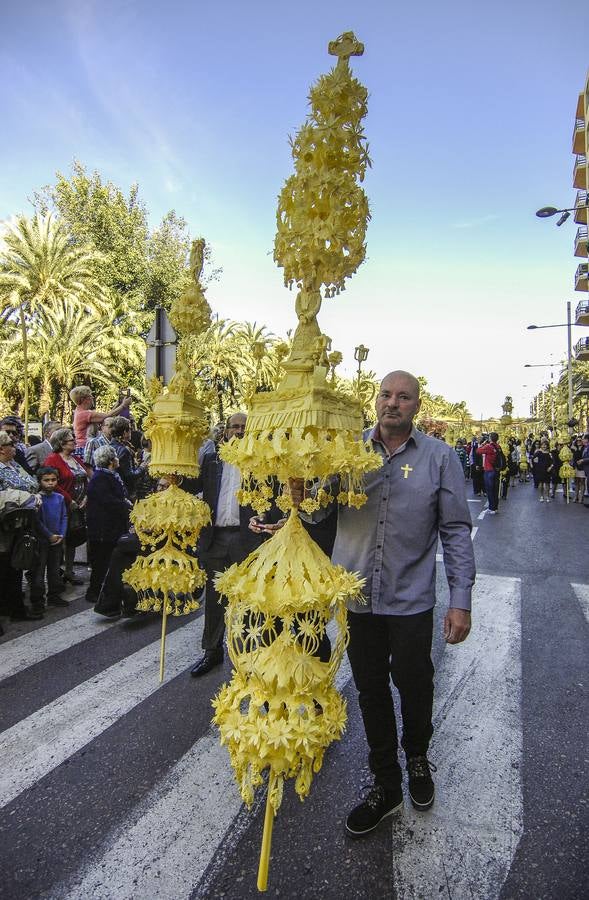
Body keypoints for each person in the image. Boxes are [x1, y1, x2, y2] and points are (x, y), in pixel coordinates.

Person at [292, 371, 475, 836]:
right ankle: (385, 783)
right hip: (357, 598)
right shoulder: (346, 453)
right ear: (377, 401)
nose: (392, 403)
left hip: (411, 599)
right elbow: (319, 512)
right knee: (370, 690)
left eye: (403, 397)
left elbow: (455, 530)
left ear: (416, 405)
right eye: (386, 395)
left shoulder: (440, 457)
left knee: (414, 683)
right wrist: (301, 497)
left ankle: (416, 758)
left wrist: (460, 600)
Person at [189, 412, 264, 677]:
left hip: (247, 539)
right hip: (215, 538)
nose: (239, 431)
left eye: (244, 427)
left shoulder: (261, 463)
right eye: (235, 426)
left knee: (247, 598)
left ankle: (246, 656)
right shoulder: (211, 460)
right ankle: (212, 651)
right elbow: (190, 485)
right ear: (226, 431)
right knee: (214, 598)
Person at [85, 445, 132, 605]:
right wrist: (124, 505)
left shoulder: (111, 475)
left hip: (112, 526)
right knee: (100, 561)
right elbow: (107, 501)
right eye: (116, 457)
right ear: (111, 461)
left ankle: (107, 590)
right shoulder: (100, 478)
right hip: (102, 529)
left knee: (109, 560)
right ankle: (94, 591)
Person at [44, 427, 89, 585]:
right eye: (71, 440)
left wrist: (85, 498)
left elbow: (85, 477)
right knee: (61, 540)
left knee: (73, 539)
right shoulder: (53, 459)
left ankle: (69, 570)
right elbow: (51, 483)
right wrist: (70, 500)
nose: (75, 441)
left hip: (79, 506)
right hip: (62, 506)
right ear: (62, 443)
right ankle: (56, 574)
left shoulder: (76, 459)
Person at [30, 466, 68, 613]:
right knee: (38, 571)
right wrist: (49, 535)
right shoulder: (37, 500)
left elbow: (64, 516)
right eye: (46, 480)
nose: (50, 483)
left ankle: (54, 594)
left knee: (54, 569)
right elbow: (37, 521)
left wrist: (62, 534)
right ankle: (37, 600)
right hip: (42, 541)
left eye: (53, 480)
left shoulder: (60, 498)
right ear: (40, 482)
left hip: (57, 539)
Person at [69, 385, 131, 452]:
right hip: (86, 447)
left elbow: (106, 416)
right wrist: (123, 405)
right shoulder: (84, 414)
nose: (92, 398)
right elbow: (107, 416)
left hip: (85, 445)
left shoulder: (79, 411)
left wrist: (118, 404)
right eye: (90, 396)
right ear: (83, 399)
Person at [109, 416, 145, 497]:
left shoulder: (109, 446)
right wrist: (142, 467)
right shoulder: (124, 450)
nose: (131, 432)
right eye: (130, 429)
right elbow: (129, 475)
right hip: (125, 491)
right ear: (125, 432)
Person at [476, 432, 502, 514]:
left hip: (489, 470)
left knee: (489, 490)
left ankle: (491, 508)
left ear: (490, 438)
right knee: (495, 490)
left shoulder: (488, 446)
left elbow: (478, 451)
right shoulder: (498, 446)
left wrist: (482, 443)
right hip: (496, 470)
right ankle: (495, 507)